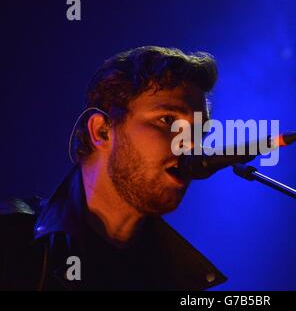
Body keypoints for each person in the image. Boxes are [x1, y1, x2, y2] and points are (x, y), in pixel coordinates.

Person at [0, 46, 227, 290]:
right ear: (102, 130)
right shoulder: (10, 241)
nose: (192, 144)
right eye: (168, 120)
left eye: (198, 132)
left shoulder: (177, 276)